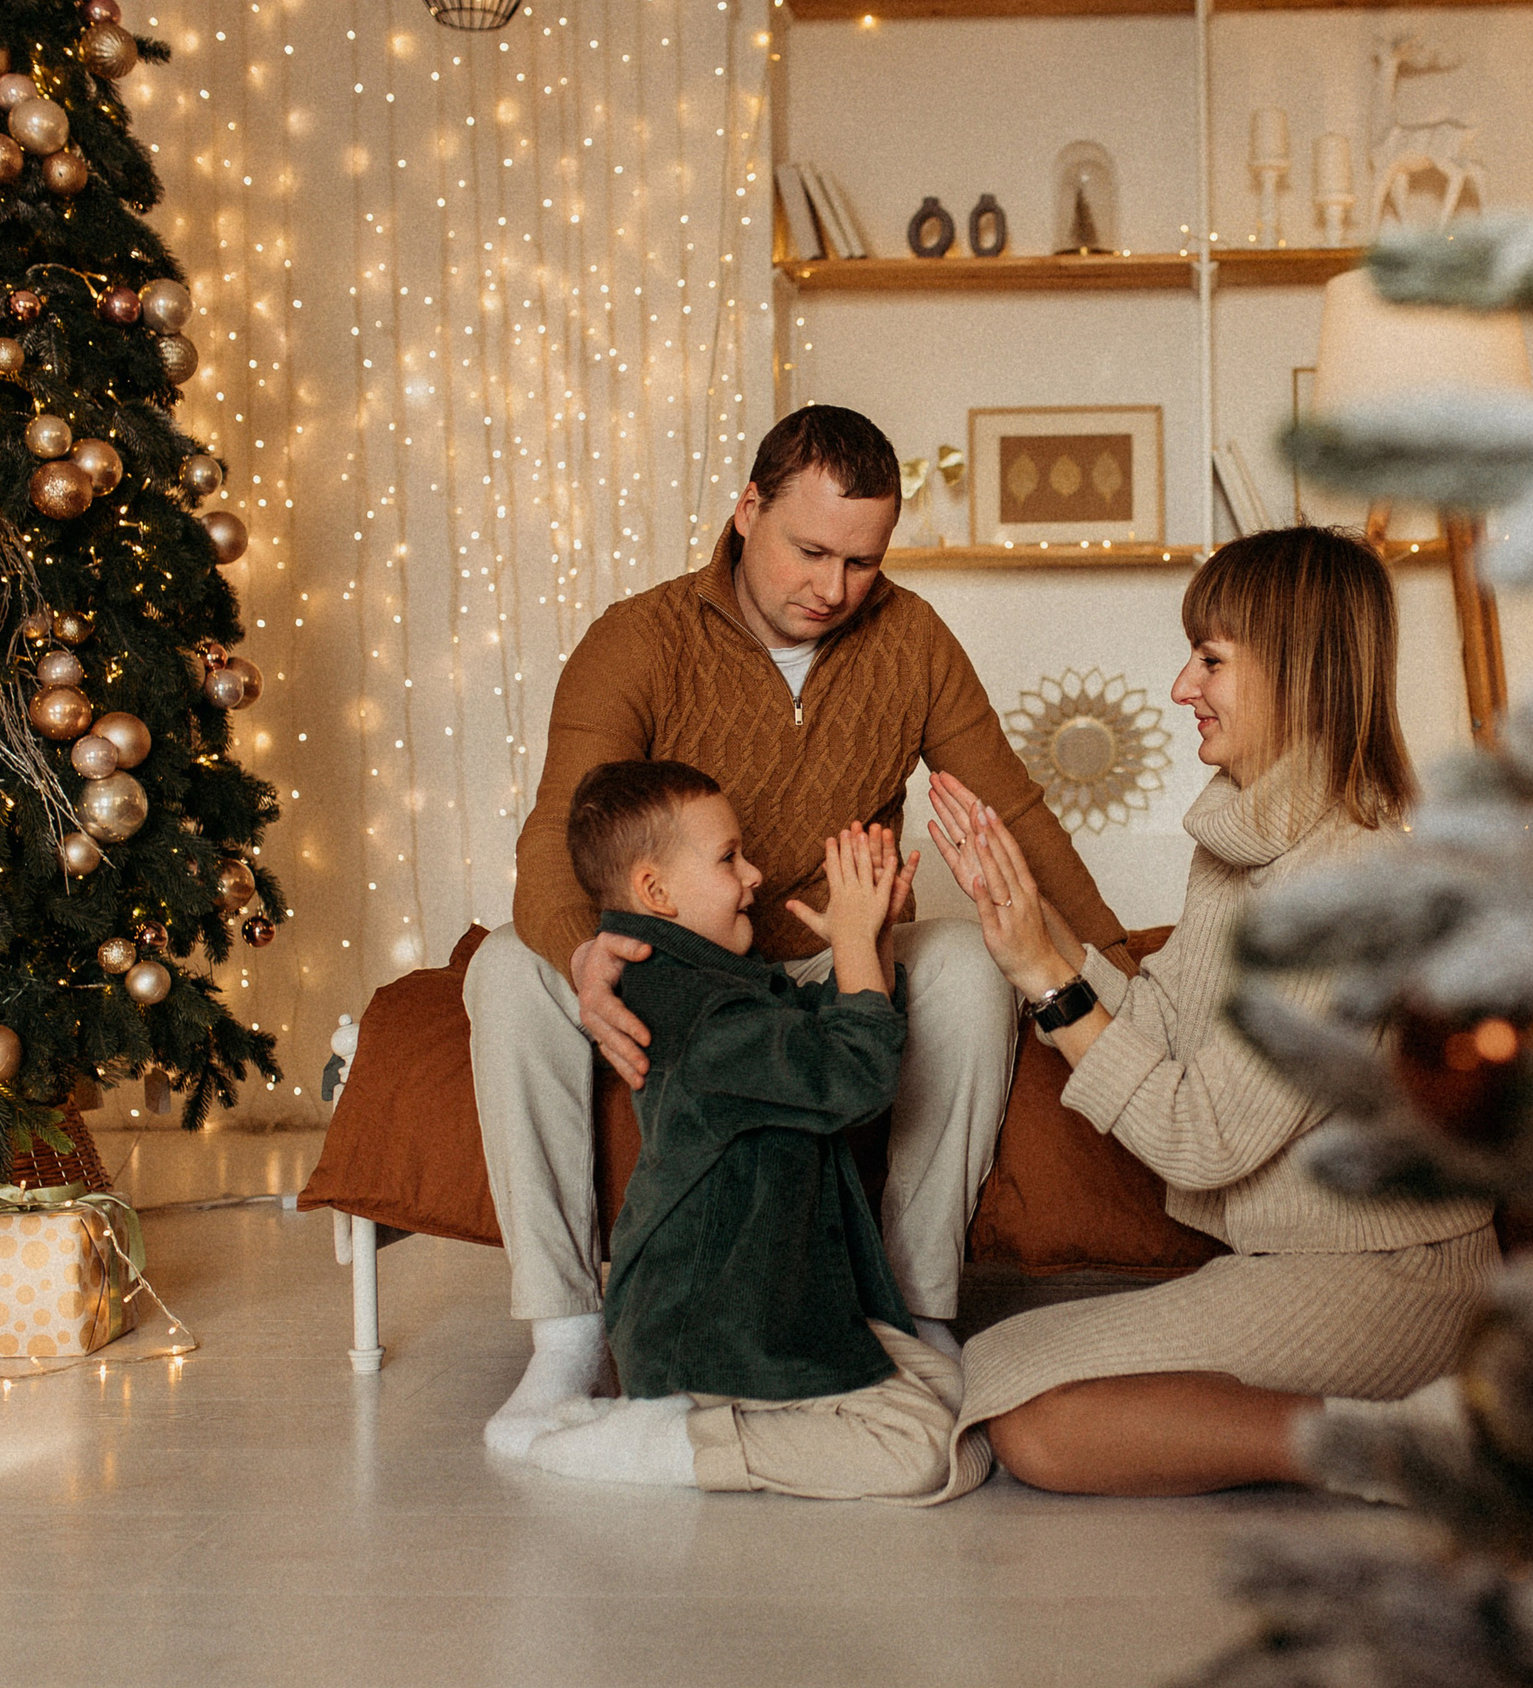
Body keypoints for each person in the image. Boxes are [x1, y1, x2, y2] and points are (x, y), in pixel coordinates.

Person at [470, 405, 1132, 1460]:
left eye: (861, 562)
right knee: (507, 969)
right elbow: (558, 825)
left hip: (834, 952)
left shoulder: (911, 639)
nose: (830, 587)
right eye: (808, 549)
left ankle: (920, 1313)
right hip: (676, 969)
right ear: (746, 513)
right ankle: (564, 1329)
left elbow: (1012, 815)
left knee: (961, 958)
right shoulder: (637, 638)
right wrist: (582, 953)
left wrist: (1121, 964)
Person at [921, 526, 1499, 1499]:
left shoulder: (1351, 881)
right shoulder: (1246, 847)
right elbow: (1159, 1016)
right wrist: (1035, 936)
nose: (1183, 687)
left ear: (1298, 672)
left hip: (1391, 1281)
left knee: (1030, 1420)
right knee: (992, 1372)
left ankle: (1408, 1450)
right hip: (1297, 1266)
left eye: (1211, 659)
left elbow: (1205, 1139)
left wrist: (1045, 983)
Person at [524, 761, 978, 1502]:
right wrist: (854, 942)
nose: (755, 875)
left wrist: (876, 938)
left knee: (961, 1397)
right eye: (730, 858)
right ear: (655, 891)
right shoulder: (698, 1013)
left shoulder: (716, 982)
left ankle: (698, 1419)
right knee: (924, 1451)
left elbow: (811, 1047)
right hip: (709, 1323)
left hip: (775, 1298)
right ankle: (672, 1444)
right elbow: (850, 1078)